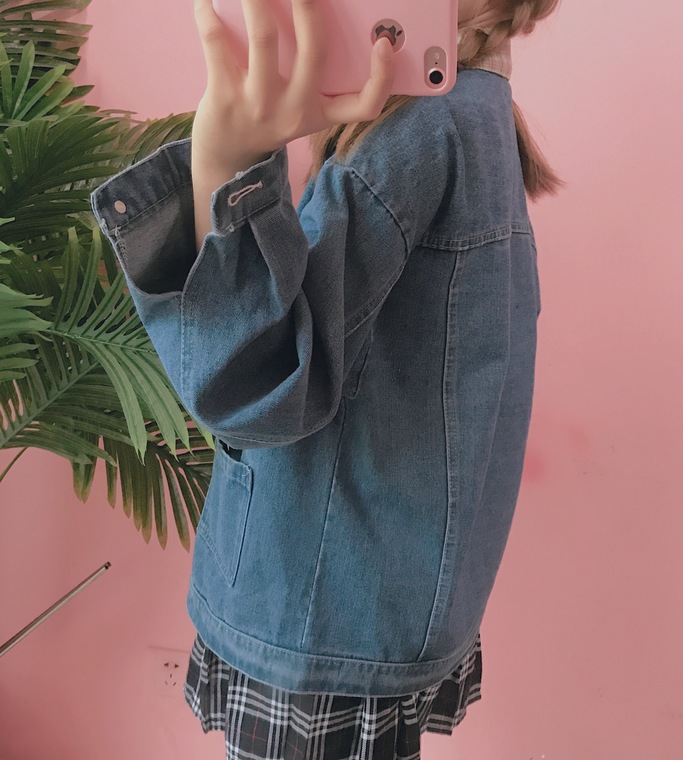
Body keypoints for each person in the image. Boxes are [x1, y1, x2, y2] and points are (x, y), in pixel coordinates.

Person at [89, 0, 563, 757]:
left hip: (314, 607)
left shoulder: (413, 138)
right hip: (377, 594)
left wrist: (225, 168)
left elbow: (256, 388)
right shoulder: (477, 114)